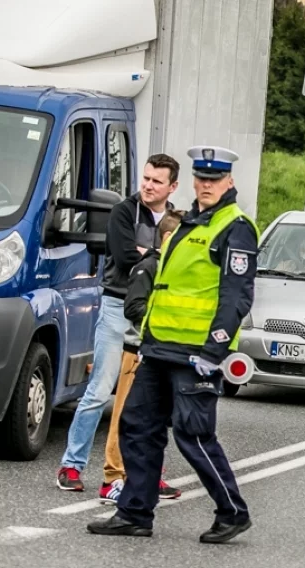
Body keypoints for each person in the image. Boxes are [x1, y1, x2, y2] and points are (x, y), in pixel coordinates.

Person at [87, 146, 259, 544]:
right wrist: (147, 338)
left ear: (229, 182)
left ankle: (232, 512)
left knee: (193, 434)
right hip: (159, 347)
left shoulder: (235, 227)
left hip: (195, 354)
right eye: (201, 178)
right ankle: (135, 513)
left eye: (214, 179)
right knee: (137, 426)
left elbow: (236, 297)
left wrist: (215, 350)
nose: (206, 185)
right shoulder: (189, 222)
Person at [57, 154, 180, 492]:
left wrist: (146, 253)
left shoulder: (176, 219)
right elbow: (125, 257)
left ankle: (147, 473)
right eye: (146, 178)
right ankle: (71, 466)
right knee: (99, 390)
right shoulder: (123, 212)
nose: (148, 185)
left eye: (157, 181)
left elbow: (180, 263)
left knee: (150, 400)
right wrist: (159, 256)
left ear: (172, 186)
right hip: (117, 307)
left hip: (155, 312)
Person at [99, 210, 184, 505]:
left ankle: (144, 476)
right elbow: (133, 307)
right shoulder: (148, 266)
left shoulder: (176, 270)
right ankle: (111, 479)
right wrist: (168, 315)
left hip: (162, 354)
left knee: (152, 421)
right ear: (168, 237)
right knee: (123, 418)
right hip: (137, 353)